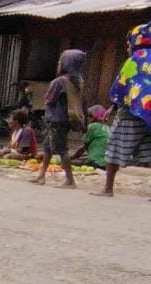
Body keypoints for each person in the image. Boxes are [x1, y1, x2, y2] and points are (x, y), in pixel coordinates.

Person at [96, 22, 151, 197]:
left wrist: (113, 106)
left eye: (129, 42)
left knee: (115, 149)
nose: (128, 46)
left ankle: (108, 188)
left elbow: (123, 84)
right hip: (148, 115)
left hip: (130, 114)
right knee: (149, 154)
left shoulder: (136, 58)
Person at [33, 49, 86, 187]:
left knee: (62, 149)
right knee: (47, 148)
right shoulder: (78, 81)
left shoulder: (59, 82)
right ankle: (41, 175)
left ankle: (70, 180)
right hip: (67, 118)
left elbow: (49, 100)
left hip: (56, 119)